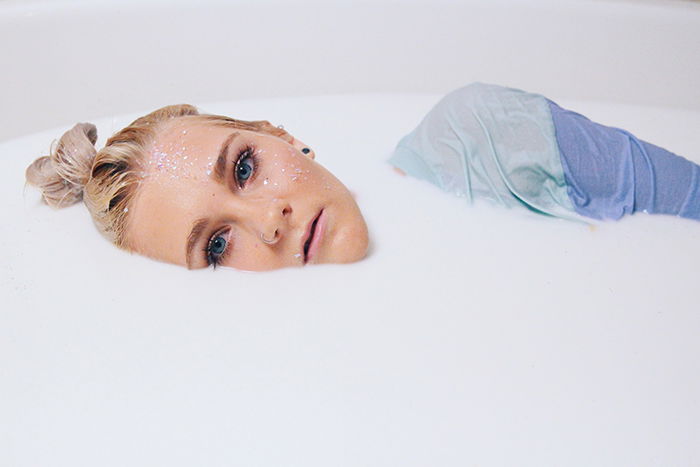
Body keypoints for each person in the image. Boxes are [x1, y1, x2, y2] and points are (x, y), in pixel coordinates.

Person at [25, 84, 700, 271]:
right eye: (218, 247)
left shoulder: (484, 140)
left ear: (283, 136)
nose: (268, 222)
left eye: (246, 167)